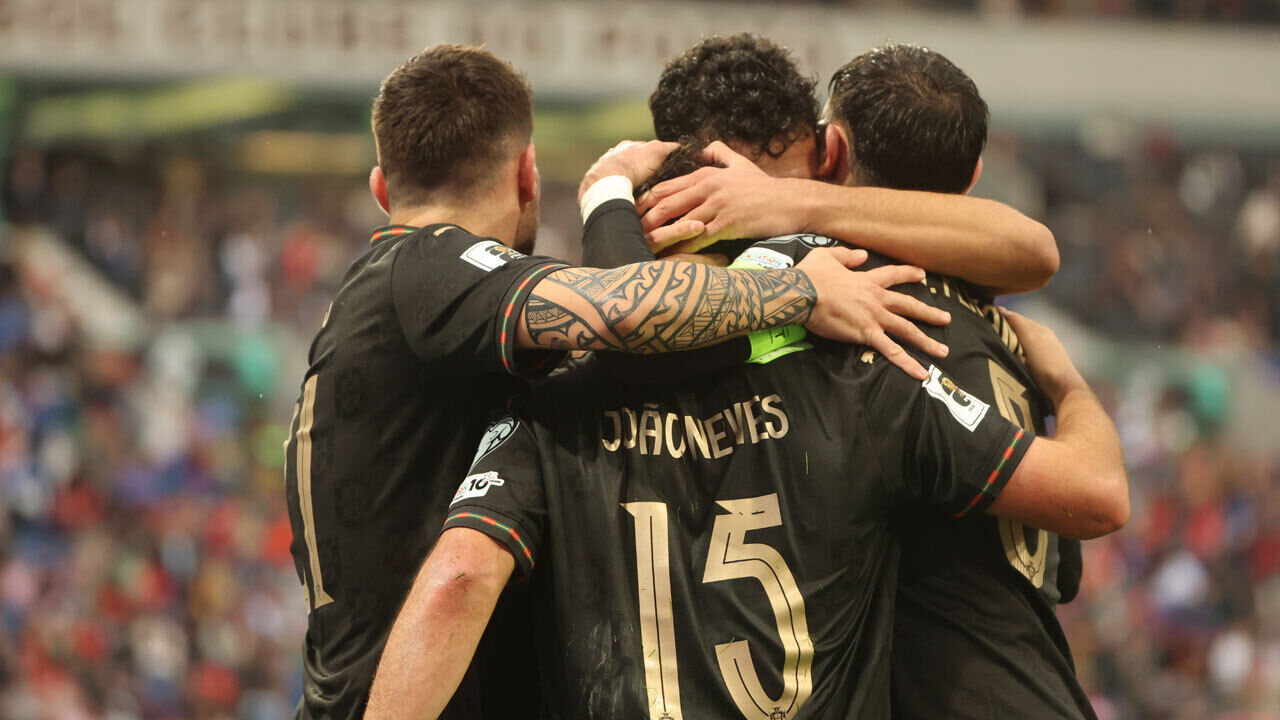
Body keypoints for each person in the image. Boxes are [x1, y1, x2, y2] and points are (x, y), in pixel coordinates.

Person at [365, 39, 1127, 720]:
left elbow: (463, 570)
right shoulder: (890, 338)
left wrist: (607, 197)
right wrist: (1070, 389)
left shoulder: (552, 396)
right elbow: (1037, 262)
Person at [284, 43, 952, 720]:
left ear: (380, 188)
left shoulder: (410, 314)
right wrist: (798, 289)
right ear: (527, 172)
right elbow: (629, 313)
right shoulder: (425, 262)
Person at [642, 42, 1106, 718]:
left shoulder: (860, 302)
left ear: (830, 153)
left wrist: (614, 195)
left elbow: (1097, 497)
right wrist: (1069, 389)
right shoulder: (988, 311)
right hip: (1035, 679)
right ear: (973, 176)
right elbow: (1034, 248)